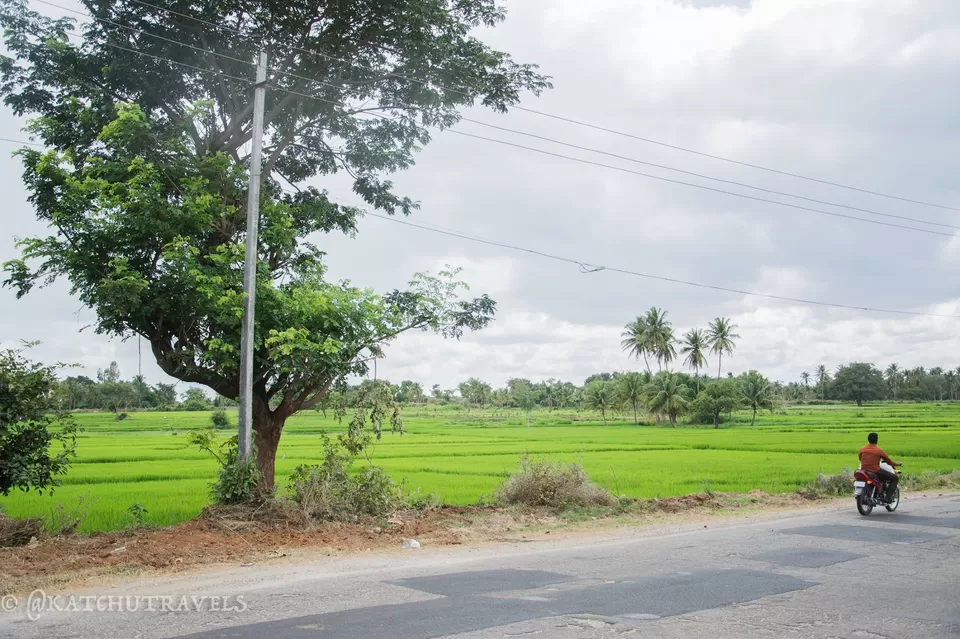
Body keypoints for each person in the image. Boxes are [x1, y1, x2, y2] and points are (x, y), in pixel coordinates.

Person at [859, 432, 901, 502]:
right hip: (875, 471)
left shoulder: (862, 449)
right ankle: (887, 498)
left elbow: (860, 459)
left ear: (868, 439)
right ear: (876, 440)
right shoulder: (879, 450)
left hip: (864, 470)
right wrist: (897, 464)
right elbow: (889, 462)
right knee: (895, 478)